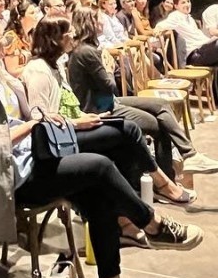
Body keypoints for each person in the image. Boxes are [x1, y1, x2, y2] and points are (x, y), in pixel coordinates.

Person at [0, 15, 202, 278]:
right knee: (99, 167)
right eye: (0, 37)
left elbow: (29, 116)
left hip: (33, 155)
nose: (7, 41)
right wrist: (34, 125)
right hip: (10, 177)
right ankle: (151, 224)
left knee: (103, 184)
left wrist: (46, 120)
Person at [22, 15, 197, 217]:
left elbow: (70, 104)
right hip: (59, 139)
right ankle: (162, 185)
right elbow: (40, 119)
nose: (73, 35)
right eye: (68, 33)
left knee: (124, 138)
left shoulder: (56, 64)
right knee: (129, 129)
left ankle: (128, 206)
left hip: (74, 125)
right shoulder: (38, 70)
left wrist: (84, 118)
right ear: (55, 39)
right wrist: (78, 122)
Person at [65, 8, 218, 177]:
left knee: (162, 105)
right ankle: (169, 178)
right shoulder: (87, 52)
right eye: (98, 19)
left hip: (108, 101)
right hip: (100, 108)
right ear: (89, 23)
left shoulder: (87, 48)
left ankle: (189, 155)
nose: (102, 22)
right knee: (159, 125)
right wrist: (110, 69)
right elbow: (110, 86)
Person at [1, 0, 39, 77]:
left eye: (36, 13)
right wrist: (37, 67)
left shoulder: (32, 35)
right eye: (32, 13)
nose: (36, 16)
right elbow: (13, 72)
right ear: (19, 18)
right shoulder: (11, 38)